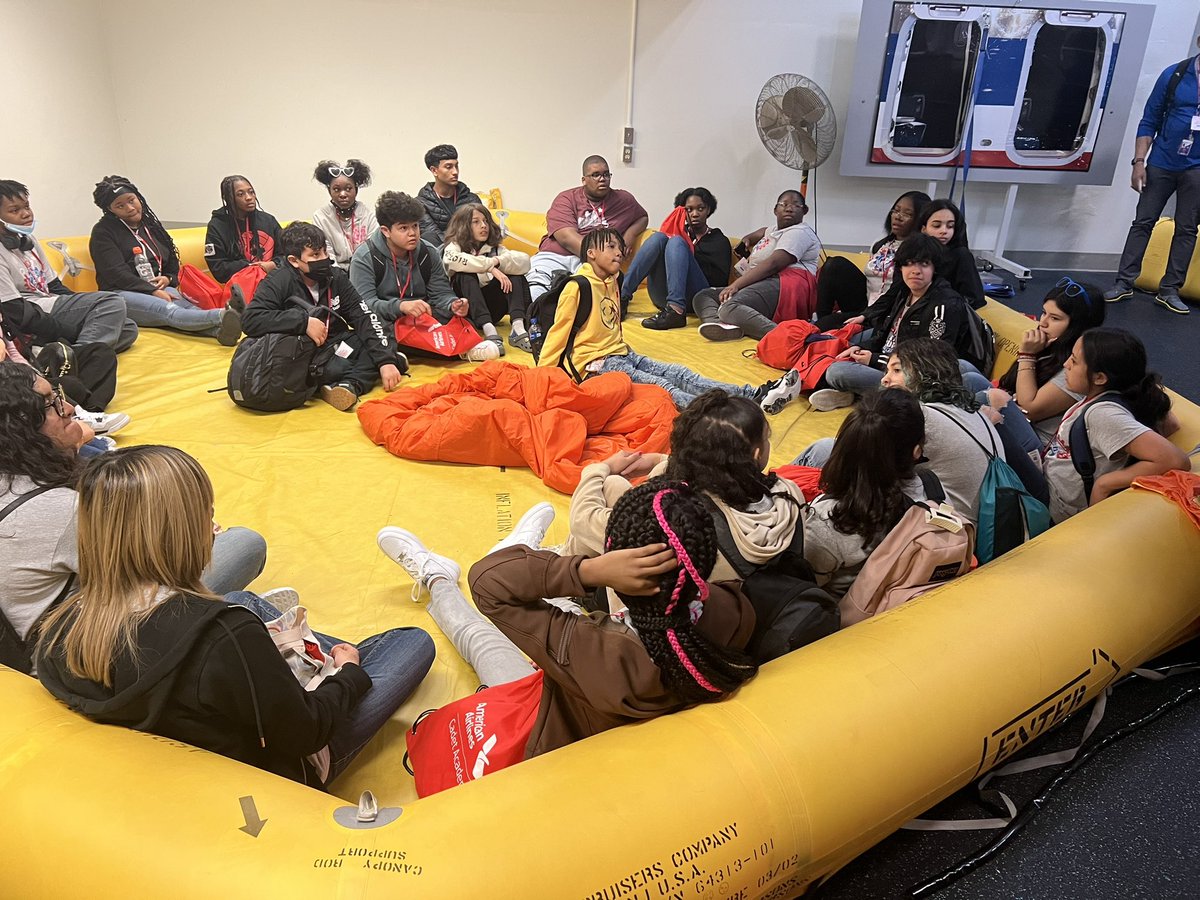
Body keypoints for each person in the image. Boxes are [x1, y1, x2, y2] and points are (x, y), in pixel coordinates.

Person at [35, 445, 434, 787]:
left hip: (192, 735)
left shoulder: (60, 627)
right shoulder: (225, 632)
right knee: (410, 643)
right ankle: (327, 662)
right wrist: (348, 675)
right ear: (177, 533)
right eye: (205, 517)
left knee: (243, 598)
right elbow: (307, 733)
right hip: (282, 765)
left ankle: (297, 659)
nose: (217, 528)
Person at [376, 477, 757, 760]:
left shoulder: (601, 651)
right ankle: (527, 557)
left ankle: (438, 575)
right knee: (558, 615)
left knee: (480, 638)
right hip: (596, 689)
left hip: (559, 722)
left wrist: (589, 571)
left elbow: (487, 581)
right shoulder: (735, 610)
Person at [1, 371, 267, 672]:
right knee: (246, 545)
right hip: (75, 654)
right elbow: (154, 580)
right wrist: (192, 533)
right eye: (51, 404)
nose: (70, 408)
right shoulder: (64, 511)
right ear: (22, 427)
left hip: (33, 641)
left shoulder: (20, 484)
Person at [567, 391, 804, 585]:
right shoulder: (788, 492)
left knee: (609, 484)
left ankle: (564, 573)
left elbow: (582, 520)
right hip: (749, 610)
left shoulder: (683, 519)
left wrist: (598, 468)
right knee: (615, 485)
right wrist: (661, 461)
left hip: (679, 615)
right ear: (756, 454)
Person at [536, 229, 775, 410]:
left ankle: (752, 394)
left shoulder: (614, 282)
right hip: (595, 365)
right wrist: (541, 381)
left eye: (619, 247)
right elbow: (558, 334)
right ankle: (718, 416)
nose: (619, 252)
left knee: (680, 374)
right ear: (591, 253)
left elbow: (611, 326)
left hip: (621, 353)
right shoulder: (577, 286)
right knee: (663, 388)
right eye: (610, 247)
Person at [762, 234, 975, 413]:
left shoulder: (944, 304)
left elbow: (927, 364)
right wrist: (863, 349)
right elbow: (885, 332)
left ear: (935, 268)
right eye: (909, 264)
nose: (915, 270)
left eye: (924, 264)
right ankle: (851, 394)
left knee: (838, 372)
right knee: (843, 345)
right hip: (890, 361)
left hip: (910, 377)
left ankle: (855, 394)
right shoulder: (904, 292)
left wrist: (874, 360)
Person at [241, 222, 405, 412]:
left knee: (382, 333)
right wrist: (302, 323)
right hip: (301, 354)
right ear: (294, 261)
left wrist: (385, 361)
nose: (324, 259)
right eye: (315, 255)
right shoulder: (278, 281)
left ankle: (347, 385)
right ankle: (353, 379)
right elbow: (250, 320)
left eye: (324, 252)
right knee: (347, 364)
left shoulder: (335, 277)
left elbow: (363, 316)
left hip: (333, 344)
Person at [1042, 328, 1188, 521]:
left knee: (995, 408)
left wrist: (1106, 483)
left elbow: (1176, 460)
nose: (1066, 364)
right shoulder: (1109, 397)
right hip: (1049, 474)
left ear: (1100, 377)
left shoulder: (1103, 414)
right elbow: (1172, 423)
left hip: (1055, 502)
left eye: (1074, 361)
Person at [799, 389, 929, 597]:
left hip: (837, 610)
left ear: (844, 443)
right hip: (887, 597)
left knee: (815, 453)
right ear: (916, 452)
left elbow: (800, 586)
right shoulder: (930, 492)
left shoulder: (830, 520)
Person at [1104, 35, 1200, 315]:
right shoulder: (1175, 75)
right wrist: (1138, 162)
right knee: (1143, 222)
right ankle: (1123, 282)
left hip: (1196, 168)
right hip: (1161, 162)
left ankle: (1170, 290)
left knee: (1187, 228)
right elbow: (1150, 119)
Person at [89, 175, 242, 345]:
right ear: (110, 210)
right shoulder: (103, 232)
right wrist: (151, 291)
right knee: (168, 311)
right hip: (120, 294)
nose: (130, 208)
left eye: (132, 200)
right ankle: (226, 313)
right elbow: (116, 274)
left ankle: (220, 332)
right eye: (120, 206)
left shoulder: (151, 226)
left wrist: (168, 278)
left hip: (158, 287)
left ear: (138, 197)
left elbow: (172, 262)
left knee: (189, 308)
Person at [350, 191, 498, 363]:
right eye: (404, 228)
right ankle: (461, 352)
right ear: (386, 231)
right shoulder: (365, 256)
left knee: (462, 320)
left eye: (415, 226)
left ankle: (409, 351)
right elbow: (364, 306)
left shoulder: (427, 251)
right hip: (388, 317)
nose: (413, 233)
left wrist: (453, 304)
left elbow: (441, 293)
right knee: (373, 329)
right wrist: (401, 306)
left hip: (422, 315)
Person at [0, 180, 137, 353]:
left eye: (27, 207)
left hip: (50, 305)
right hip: (32, 313)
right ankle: (80, 358)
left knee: (127, 327)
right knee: (110, 302)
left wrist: (85, 309)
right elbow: (14, 311)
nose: (26, 214)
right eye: (15, 210)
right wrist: (66, 329)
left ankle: (53, 352)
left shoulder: (28, 241)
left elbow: (55, 286)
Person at [692, 190, 821, 342]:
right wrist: (747, 239)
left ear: (804, 210)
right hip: (764, 282)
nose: (789, 209)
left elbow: (774, 264)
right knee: (703, 296)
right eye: (784, 205)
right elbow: (762, 232)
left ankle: (787, 339)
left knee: (729, 307)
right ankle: (721, 327)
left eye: (796, 205)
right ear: (775, 210)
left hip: (787, 284)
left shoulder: (799, 232)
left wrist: (736, 285)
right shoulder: (773, 230)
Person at [995, 277, 1106, 444]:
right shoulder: (1051, 346)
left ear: (1078, 325)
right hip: (1018, 425)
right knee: (968, 373)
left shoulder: (1082, 364)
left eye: (1055, 318)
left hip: (1038, 445)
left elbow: (1028, 409)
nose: (1043, 323)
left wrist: (1027, 355)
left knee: (979, 393)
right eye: (1044, 312)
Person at [527, 156, 648, 303]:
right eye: (596, 175)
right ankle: (536, 316)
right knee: (535, 289)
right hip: (556, 255)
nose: (602, 179)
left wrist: (628, 238)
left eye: (606, 174)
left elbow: (642, 217)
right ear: (584, 180)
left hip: (591, 263)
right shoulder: (566, 199)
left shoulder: (623, 199)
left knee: (591, 296)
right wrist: (601, 257)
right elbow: (566, 238)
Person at [814, 190, 930, 330]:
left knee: (827, 325)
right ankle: (819, 316)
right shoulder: (879, 245)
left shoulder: (920, 251)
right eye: (896, 210)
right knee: (834, 264)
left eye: (907, 214)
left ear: (920, 220)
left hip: (890, 309)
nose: (898, 217)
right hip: (865, 303)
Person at [619, 187, 732, 331]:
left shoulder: (718, 240)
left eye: (700, 208)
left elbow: (718, 283)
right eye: (689, 210)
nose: (695, 214)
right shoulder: (680, 234)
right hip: (663, 295)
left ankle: (676, 311)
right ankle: (622, 297)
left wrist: (687, 256)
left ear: (708, 209)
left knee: (676, 242)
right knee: (659, 237)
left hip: (698, 298)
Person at [442, 203, 533, 353]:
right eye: (476, 222)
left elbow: (524, 262)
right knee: (464, 274)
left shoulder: (495, 249)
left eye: (485, 221)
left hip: (492, 308)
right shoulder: (454, 246)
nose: (483, 226)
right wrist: (489, 267)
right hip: (467, 310)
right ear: (464, 225)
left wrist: (496, 262)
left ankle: (518, 327)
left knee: (515, 275)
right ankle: (490, 332)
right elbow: (452, 260)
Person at [204, 175, 285, 283]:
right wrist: (251, 267)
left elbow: (286, 253)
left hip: (273, 280)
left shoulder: (268, 220)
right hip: (240, 285)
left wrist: (274, 264)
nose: (248, 197)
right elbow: (218, 267)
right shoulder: (217, 226)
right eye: (240, 194)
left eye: (251, 192)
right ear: (228, 198)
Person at [916, 199, 985, 309]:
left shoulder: (961, 255)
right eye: (937, 226)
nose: (944, 231)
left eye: (950, 226)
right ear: (923, 229)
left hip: (947, 313)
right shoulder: (915, 253)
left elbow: (975, 299)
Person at [311, 159, 377, 266]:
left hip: (365, 268)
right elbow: (325, 252)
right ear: (329, 191)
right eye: (336, 189)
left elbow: (373, 249)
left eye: (348, 188)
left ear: (356, 190)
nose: (343, 194)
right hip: (334, 273)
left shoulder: (368, 214)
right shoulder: (320, 217)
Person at [417, 144, 482, 246]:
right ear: (434, 170)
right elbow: (433, 237)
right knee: (429, 237)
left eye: (456, 166)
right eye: (449, 167)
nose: (455, 172)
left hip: (472, 254)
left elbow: (480, 231)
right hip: (441, 256)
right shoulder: (421, 204)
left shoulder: (471, 199)